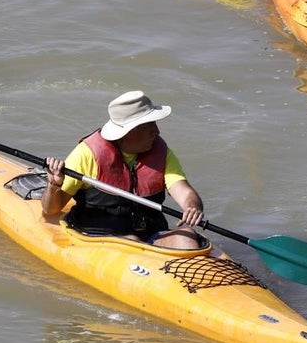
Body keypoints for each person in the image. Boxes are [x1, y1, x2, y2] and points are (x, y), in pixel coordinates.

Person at [40, 91, 205, 250]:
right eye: (149, 125)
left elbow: (185, 193)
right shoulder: (87, 154)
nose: (157, 131)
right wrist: (54, 185)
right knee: (132, 241)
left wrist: (192, 207)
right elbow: (51, 209)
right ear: (129, 131)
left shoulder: (162, 153)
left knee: (187, 236)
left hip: (149, 233)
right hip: (99, 236)